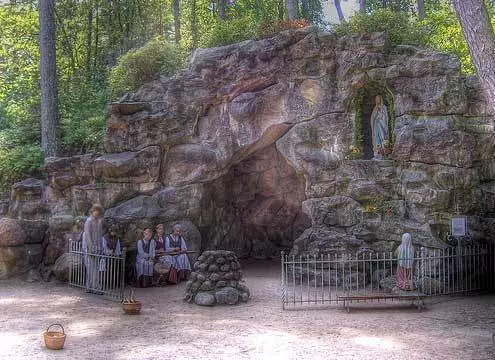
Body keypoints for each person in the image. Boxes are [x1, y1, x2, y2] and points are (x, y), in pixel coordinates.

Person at [82, 204, 104, 293]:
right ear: (92, 211)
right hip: (91, 248)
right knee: (90, 267)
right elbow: (87, 235)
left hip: (98, 247)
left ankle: (95, 286)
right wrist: (90, 247)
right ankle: (90, 286)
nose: (97, 212)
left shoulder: (99, 221)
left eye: (98, 211)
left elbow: (100, 235)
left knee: (96, 267)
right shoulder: (89, 221)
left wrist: (101, 246)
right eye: (96, 210)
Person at [101, 224, 122, 289]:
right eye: (112, 231)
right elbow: (104, 247)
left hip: (114, 256)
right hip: (106, 256)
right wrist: (109, 252)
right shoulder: (105, 237)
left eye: (115, 231)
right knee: (107, 270)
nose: (114, 233)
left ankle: (113, 283)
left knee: (114, 270)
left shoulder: (116, 238)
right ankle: (106, 283)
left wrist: (116, 253)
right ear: (110, 231)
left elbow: (118, 247)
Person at [370, 94, 389, 159]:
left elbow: (385, 118)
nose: (377, 100)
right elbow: (372, 118)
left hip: (381, 125)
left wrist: (380, 113)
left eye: (378, 98)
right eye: (376, 98)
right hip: (376, 125)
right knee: (376, 138)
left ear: (381, 99)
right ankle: (377, 152)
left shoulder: (384, 107)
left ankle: (383, 152)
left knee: (382, 137)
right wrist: (376, 115)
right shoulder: (374, 108)